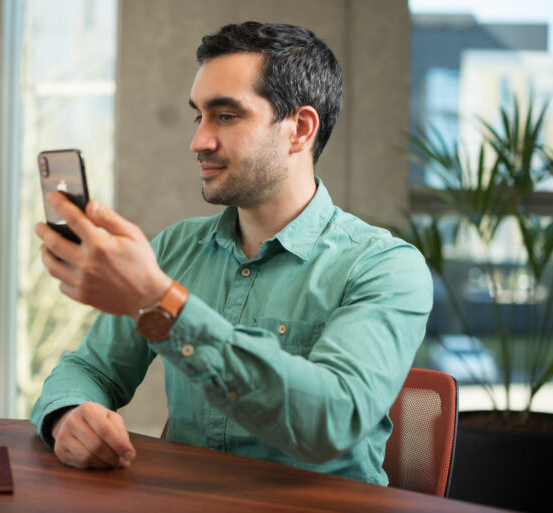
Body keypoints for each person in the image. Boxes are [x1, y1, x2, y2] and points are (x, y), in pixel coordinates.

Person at [30, 21, 432, 485]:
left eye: (225, 116)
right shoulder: (175, 248)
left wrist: (163, 303)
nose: (198, 141)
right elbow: (90, 368)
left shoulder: (384, 267)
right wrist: (68, 415)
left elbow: (332, 420)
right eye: (198, 116)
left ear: (299, 129)